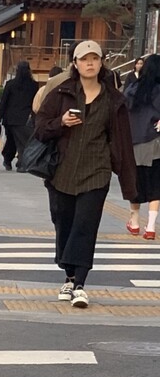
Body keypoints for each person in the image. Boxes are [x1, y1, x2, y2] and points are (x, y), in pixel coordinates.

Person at [34, 39, 137, 308]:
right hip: (62, 172)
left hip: (96, 172)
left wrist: (130, 186)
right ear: (75, 63)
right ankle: (69, 277)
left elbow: (123, 141)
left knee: (85, 226)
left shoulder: (114, 100)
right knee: (64, 224)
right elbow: (40, 128)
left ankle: (79, 284)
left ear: (101, 63)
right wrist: (61, 122)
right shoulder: (62, 94)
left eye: (94, 58)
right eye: (84, 59)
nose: (90, 63)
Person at [123, 52, 160, 240]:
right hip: (154, 143)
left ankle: (135, 222)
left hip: (133, 143)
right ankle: (151, 227)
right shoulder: (159, 91)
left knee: (135, 183)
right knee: (155, 185)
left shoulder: (131, 89)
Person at [0, 60, 38, 169]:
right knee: (23, 142)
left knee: (11, 140)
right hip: (25, 118)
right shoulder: (34, 85)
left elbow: (4, 102)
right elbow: (35, 102)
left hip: (10, 118)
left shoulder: (10, 84)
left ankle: (8, 160)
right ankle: (21, 163)